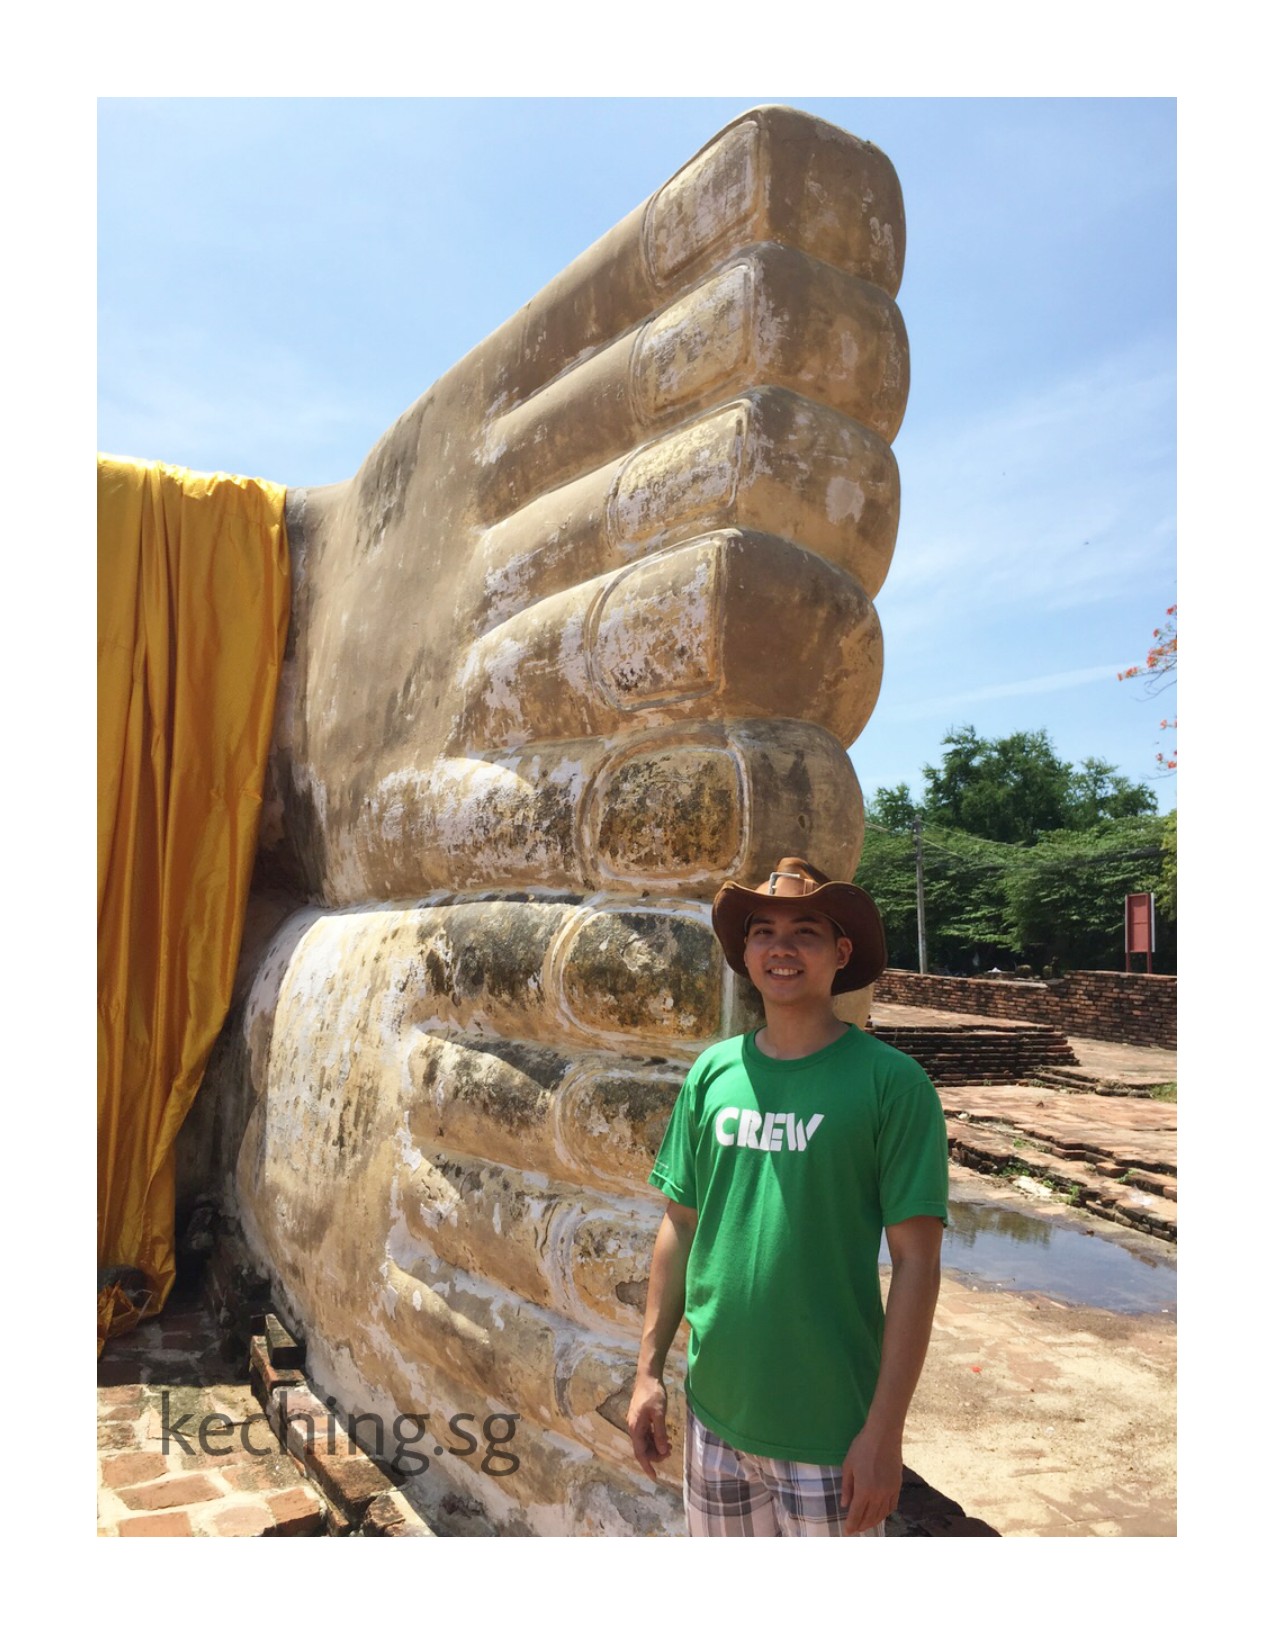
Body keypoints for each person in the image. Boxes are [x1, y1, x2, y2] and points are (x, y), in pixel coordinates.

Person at [626, 855, 949, 1536]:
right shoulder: (714, 1073)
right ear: (745, 953)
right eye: (762, 931)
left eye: (804, 931)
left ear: (841, 952)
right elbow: (680, 1225)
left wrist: (884, 1433)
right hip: (715, 1414)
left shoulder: (892, 1085)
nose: (781, 947)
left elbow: (916, 1265)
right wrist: (648, 1371)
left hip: (831, 1430)